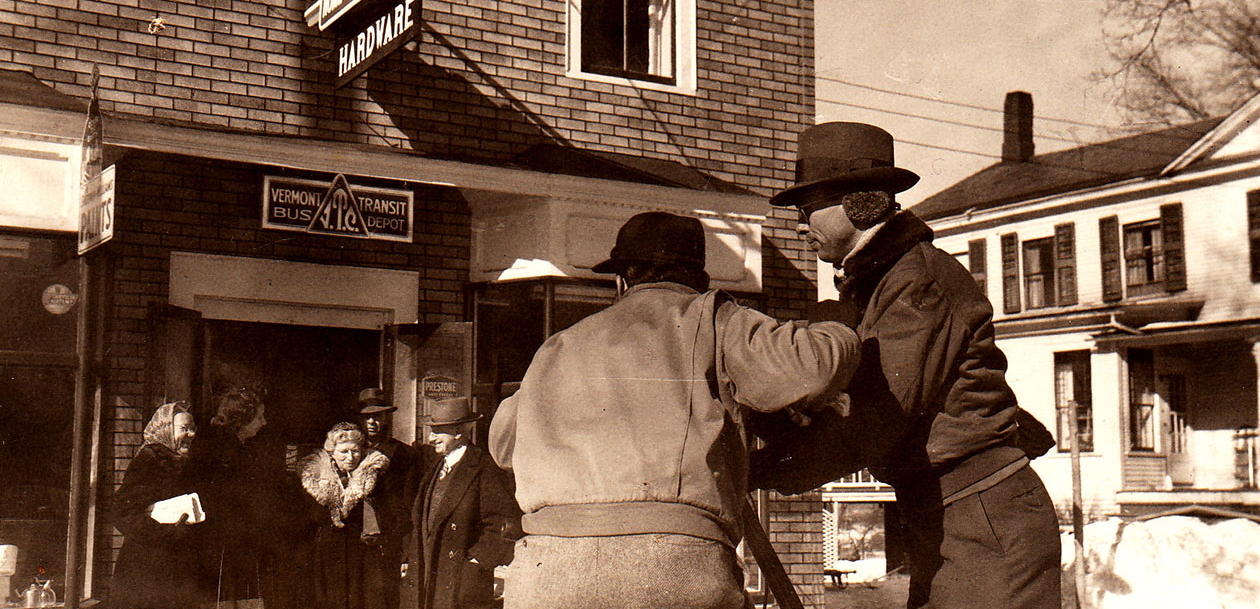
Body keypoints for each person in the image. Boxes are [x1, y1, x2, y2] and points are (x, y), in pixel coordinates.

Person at [488, 211, 862, 609]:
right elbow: (810, 370)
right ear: (697, 279)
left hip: (548, 575)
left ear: (622, 279)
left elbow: (503, 445)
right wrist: (836, 324)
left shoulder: (557, 346)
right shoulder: (714, 317)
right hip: (669, 568)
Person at [760, 121, 1061, 608]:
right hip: (951, 513)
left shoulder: (916, 280)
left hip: (982, 516)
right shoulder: (879, 283)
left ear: (861, 203)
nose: (799, 223)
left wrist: (767, 468)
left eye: (808, 208)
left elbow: (880, 418)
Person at [401, 397, 520, 609]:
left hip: (459, 579)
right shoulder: (435, 467)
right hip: (428, 573)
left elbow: (504, 524)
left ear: (458, 433)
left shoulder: (483, 467)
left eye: (438, 432)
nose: (431, 438)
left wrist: (476, 562)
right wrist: (410, 557)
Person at [110, 401, 202, 608]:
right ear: (166, 430)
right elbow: (121, 512)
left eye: (193, 429)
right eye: (184, 429)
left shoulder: (179, 460)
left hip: (170, 567)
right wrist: (166, 533)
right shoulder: (150, 459)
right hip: (146, 569)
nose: (192, 434)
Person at [190, 386, 273, 604]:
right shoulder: (219, 449)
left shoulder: (238, 446)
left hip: (233, 542)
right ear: (242, 419)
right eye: (259, 417)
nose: (263, 423)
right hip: (220, 545)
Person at [300, 422, 392, 609]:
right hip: (326, 552)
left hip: (361, 552)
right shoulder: (314, 478)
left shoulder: (371, 475)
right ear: (332, 453)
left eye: (355, 451)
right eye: (344, 452)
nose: (350, 457)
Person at [354, 388, 426, 609]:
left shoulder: (403, 455)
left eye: (378, 415)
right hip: (354, 540)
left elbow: (410, 504)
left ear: (387, 417)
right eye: (367, 416)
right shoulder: (350, 453)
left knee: (384, 598)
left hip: (387, 540)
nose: (373, 422)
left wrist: (406, 547)